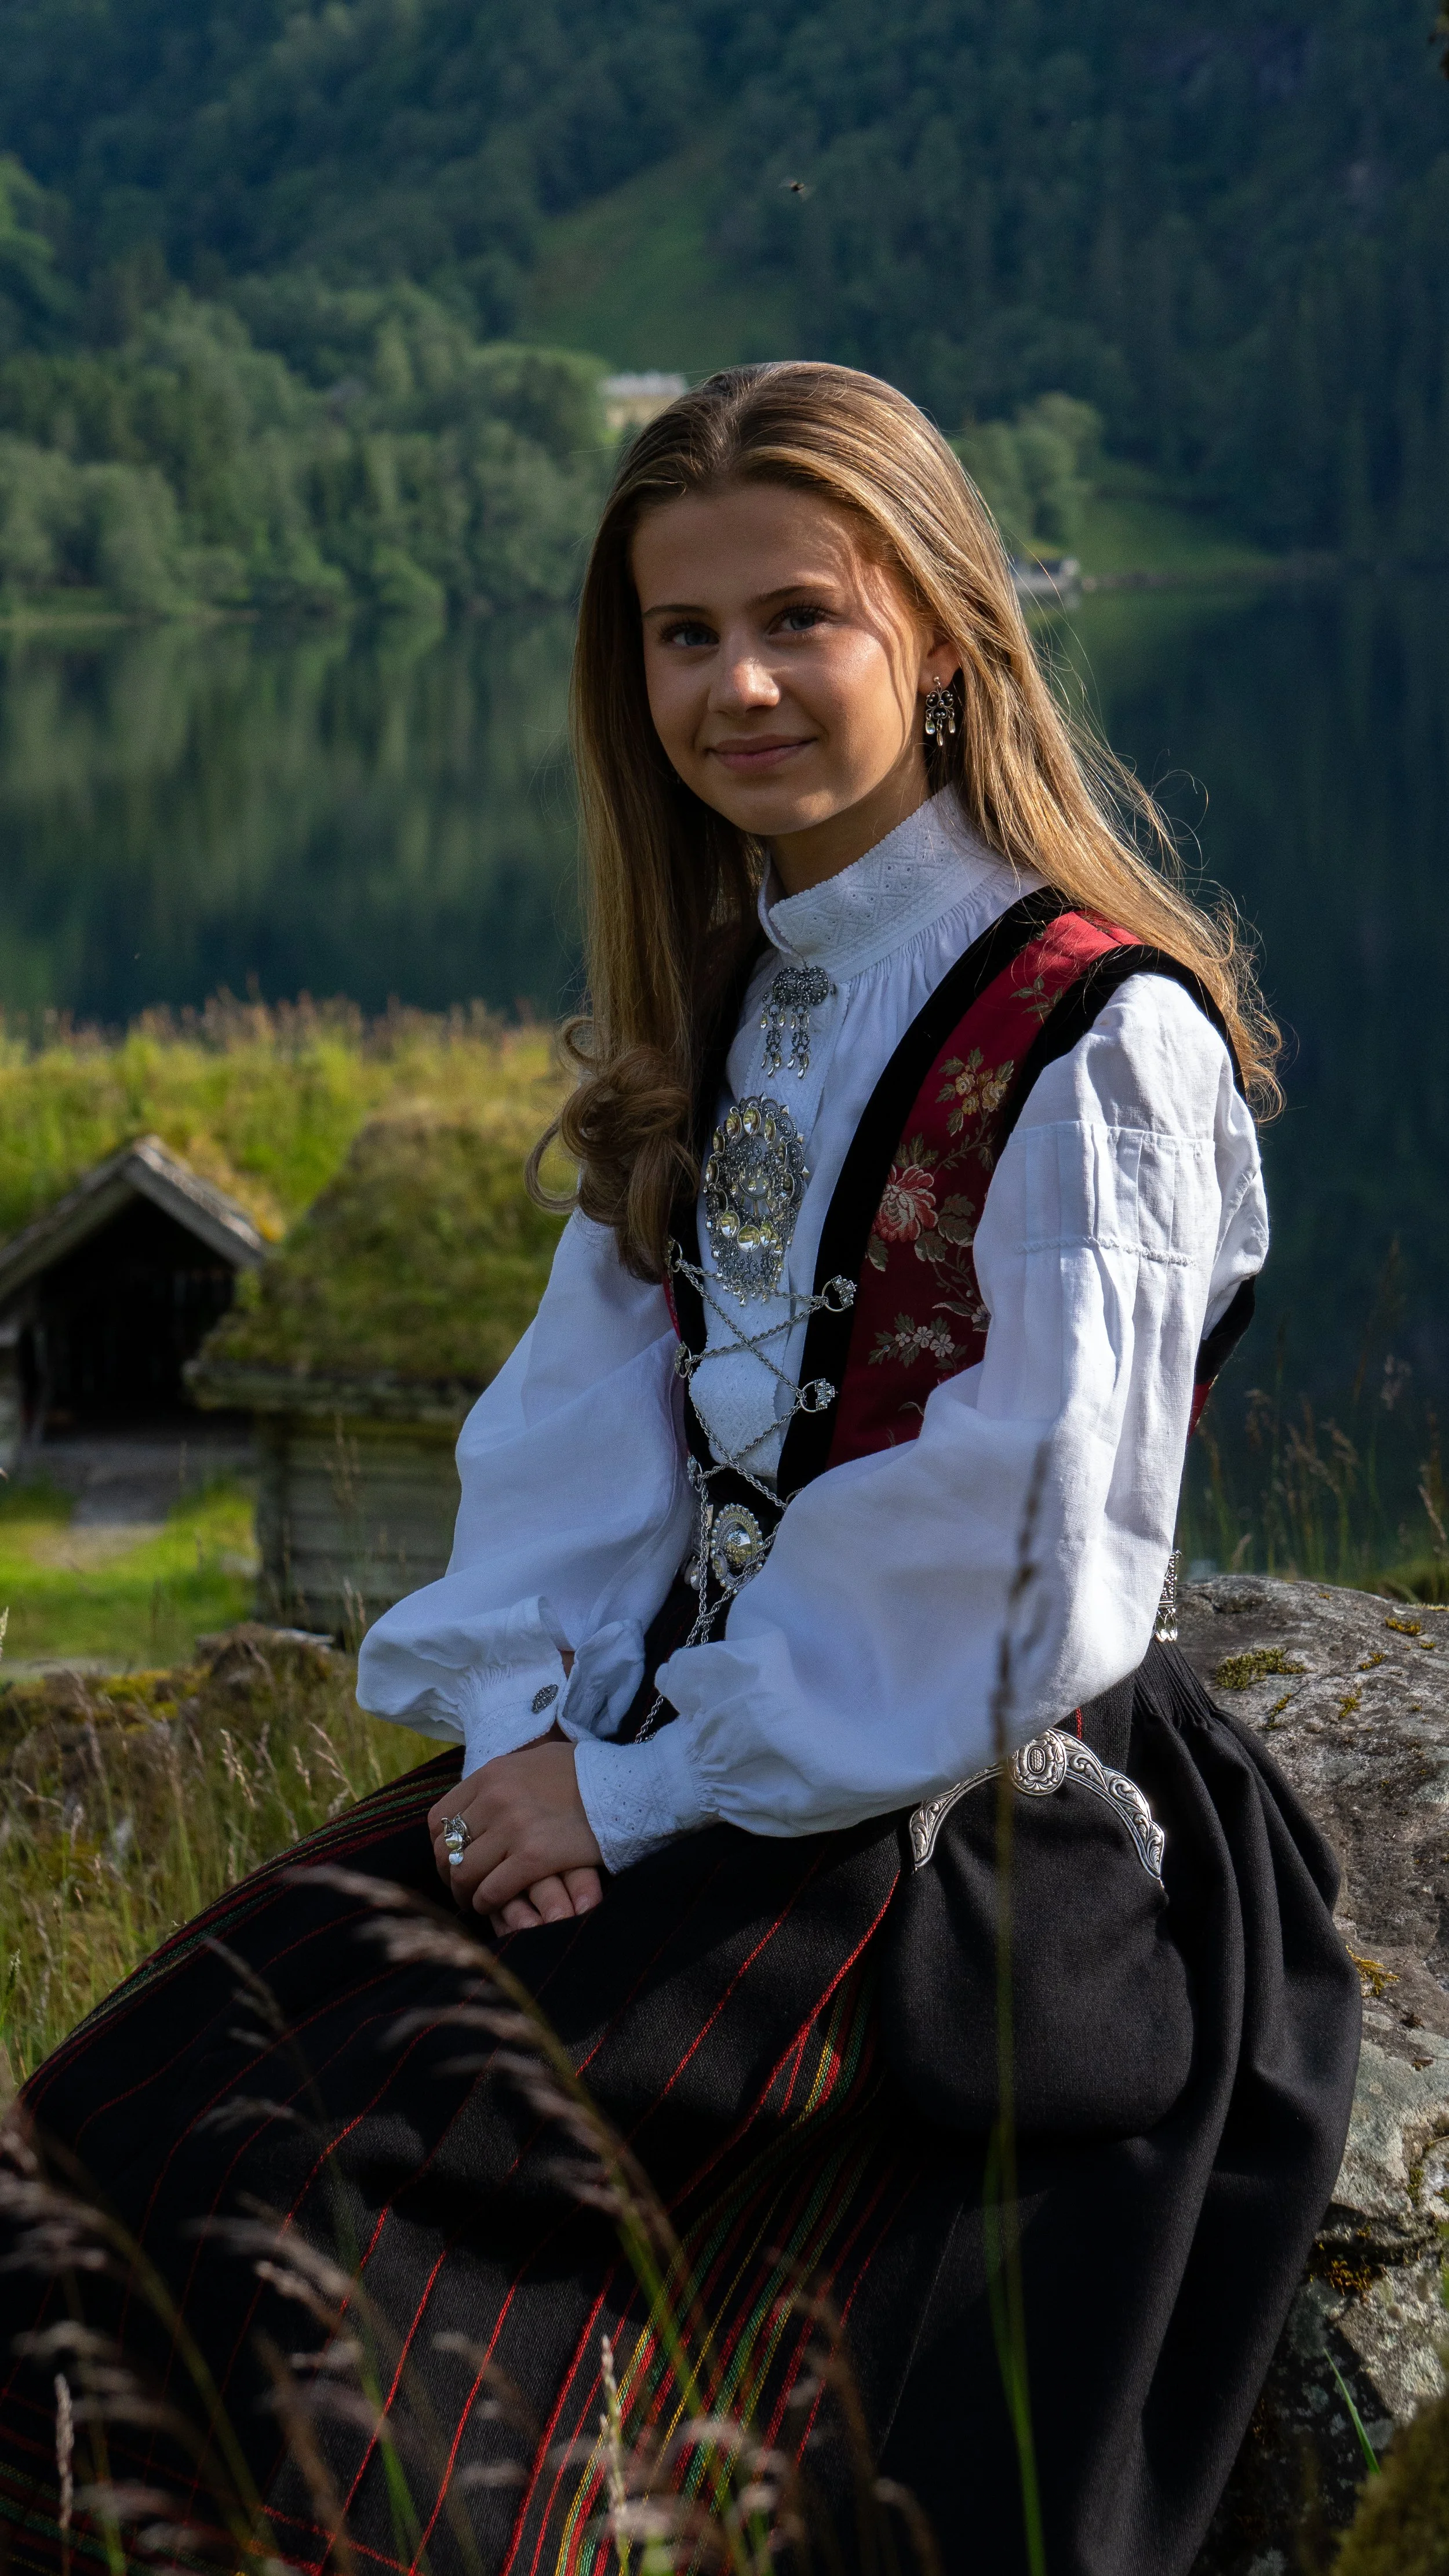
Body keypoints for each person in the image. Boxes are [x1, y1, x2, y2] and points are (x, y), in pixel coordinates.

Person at [0, 365, 1359, 2576]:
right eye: (678, 632)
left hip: (931, 1781)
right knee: (142, 2106)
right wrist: (532, 1727)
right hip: (686, 1736)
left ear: (935, 631)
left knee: (309, 2209)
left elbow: (1012, 1553)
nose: (732, 684)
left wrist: (626, 1797)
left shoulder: (1092, 1035)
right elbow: (581, 1421)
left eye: (795, 618)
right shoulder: (738, 990)